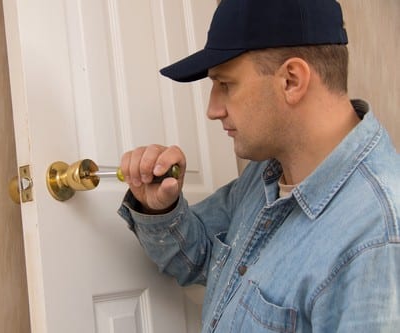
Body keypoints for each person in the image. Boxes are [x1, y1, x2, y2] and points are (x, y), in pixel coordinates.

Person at [117, 0, 400, 331]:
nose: (213, 109)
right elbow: (204, 258)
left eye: (225, 84)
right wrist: (159, 210)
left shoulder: (377, 236)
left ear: (291, 80)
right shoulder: (266, 171)